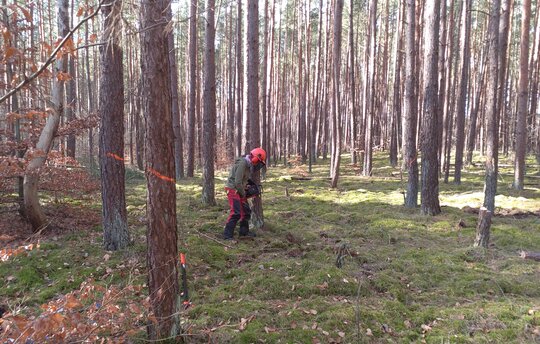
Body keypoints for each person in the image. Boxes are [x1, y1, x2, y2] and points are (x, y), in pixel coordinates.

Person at [223, 147, 266, 240]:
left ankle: (244, 232)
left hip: (238, 189)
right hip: (232, 189)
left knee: (246, 211)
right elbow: (237, 182)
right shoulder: (243, 163)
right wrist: (243, 194)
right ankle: (227, 235)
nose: (257, 163)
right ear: (254, 157)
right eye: (258, 161)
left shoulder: (247, 165)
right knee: (236, 212)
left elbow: (242, 180)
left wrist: (248, 185)